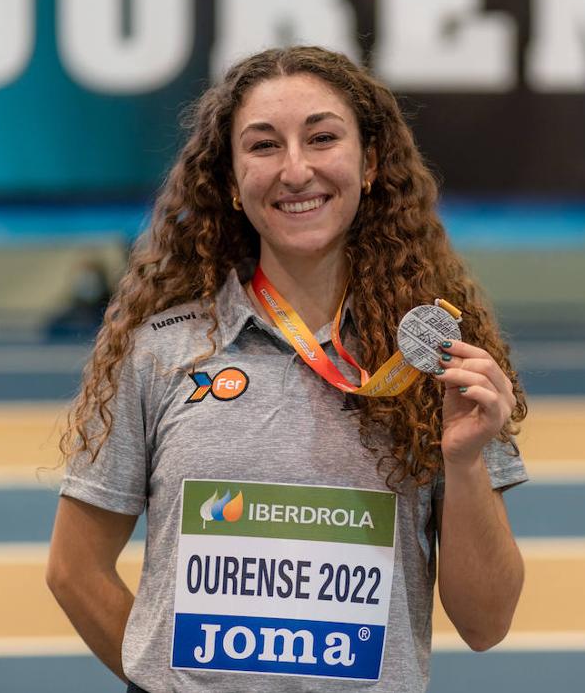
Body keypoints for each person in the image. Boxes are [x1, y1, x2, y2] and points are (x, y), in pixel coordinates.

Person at [46, 46, 528, 692]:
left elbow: (487, 622)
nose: (296, 170)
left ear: (370, 162)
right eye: (264, 146)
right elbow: (74, 570)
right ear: (230, 182)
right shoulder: (161, 350)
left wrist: (464, 464)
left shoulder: (433, 363)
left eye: (323, 138)